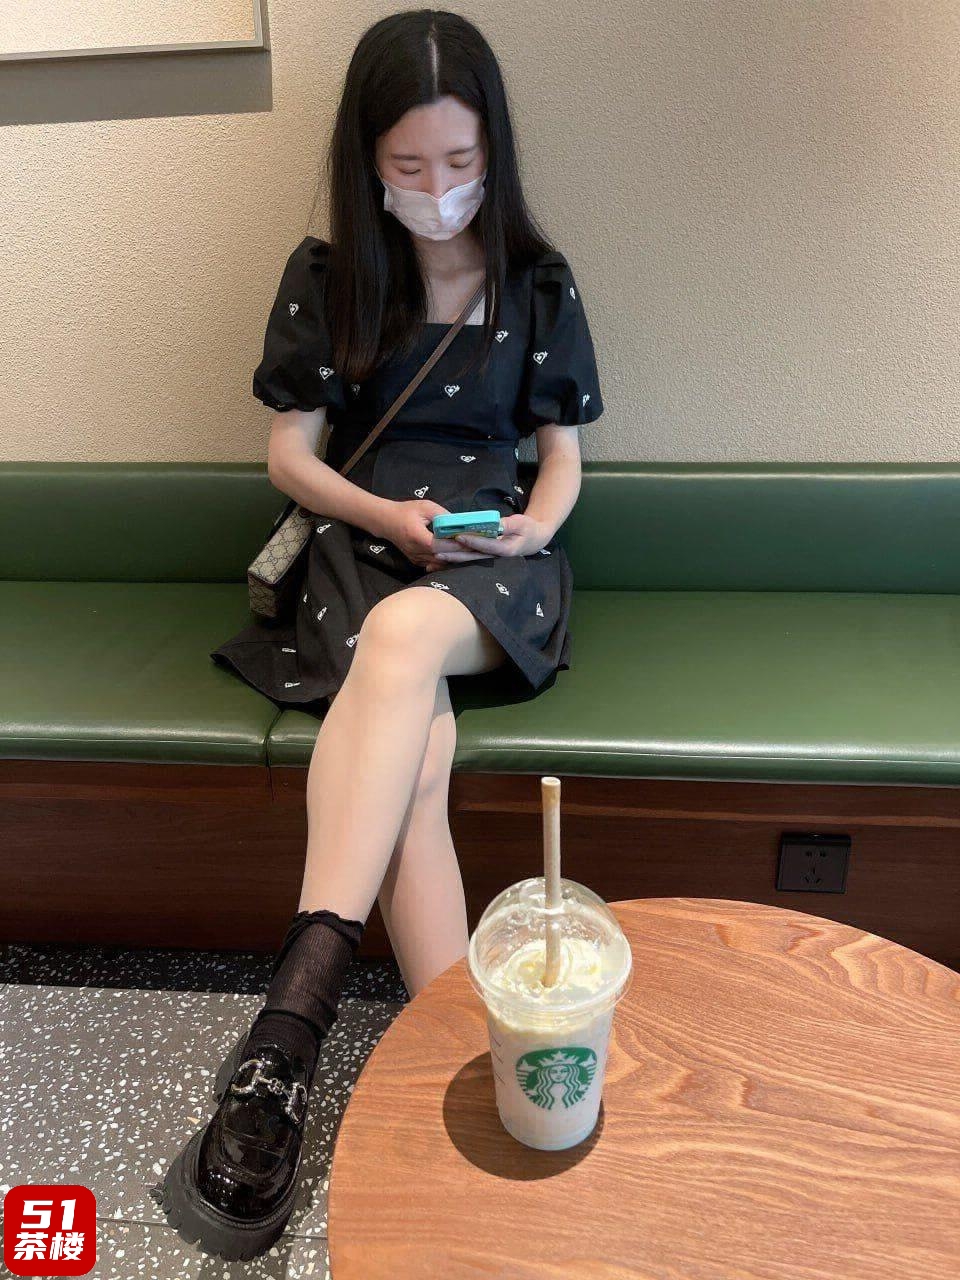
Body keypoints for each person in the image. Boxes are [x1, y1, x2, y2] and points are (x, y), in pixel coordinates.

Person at [162, 7, 604, 1261]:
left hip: (493, 571)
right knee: (412, 775)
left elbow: (564, 457)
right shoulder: (328, 274)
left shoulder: (538, 280)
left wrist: (525, 531)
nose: (438, 188)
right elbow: (289, 457)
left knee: (406, 642)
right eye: (409, 165)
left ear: (493, 151)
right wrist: (387, 517)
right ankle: (461, 1057)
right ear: (368, 160)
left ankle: (289, 1023)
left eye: (460, 161)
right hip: (360, 546)